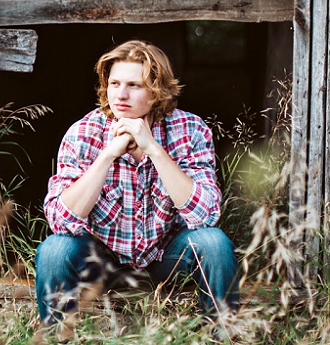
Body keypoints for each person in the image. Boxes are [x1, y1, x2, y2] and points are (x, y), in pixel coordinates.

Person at [35, 40, 238, 327]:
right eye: (114, 83)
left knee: (214, 243)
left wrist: (154, 149)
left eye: (134, 85)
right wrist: (108, 155)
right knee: (55, 250)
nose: (121, 94)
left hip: (164, 260)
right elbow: (61, 221)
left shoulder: (190, 130)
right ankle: (56, 336)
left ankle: (222, 334)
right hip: (100, 262)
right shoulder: (83, 132)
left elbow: (206, 216)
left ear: (157, 92)